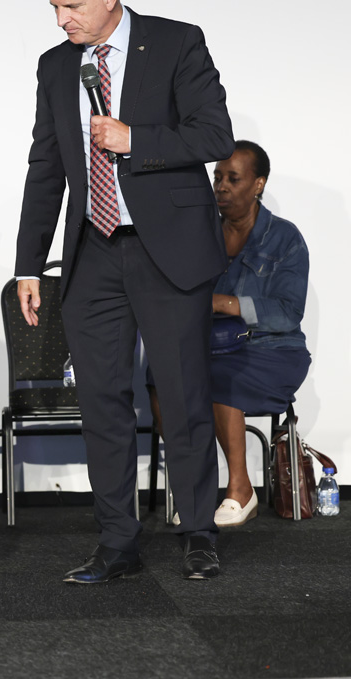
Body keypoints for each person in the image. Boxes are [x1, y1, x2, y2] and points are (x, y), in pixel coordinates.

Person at [15, 1, 234, 582]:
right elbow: (46, 164)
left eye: (72, 5)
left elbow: (215, 134)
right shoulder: (56, 65)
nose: (61, 19)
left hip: (169, 250)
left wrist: (135, 138)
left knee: (183, 396)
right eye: (53, 6)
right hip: (93, 252)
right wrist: (29, 264)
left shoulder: (176, 41)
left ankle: (198, 531)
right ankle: (117, 541)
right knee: (101, 402)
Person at [150, 141, 310, 527]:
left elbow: (288, 312)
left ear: (258, 184)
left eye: (233, 179)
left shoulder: (284, 238)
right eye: (217, 177)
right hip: (213, 348)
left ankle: (241, 488)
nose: (221, 186)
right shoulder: (200, 234)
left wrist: (223, 303)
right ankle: (195, 489)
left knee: (219, 377)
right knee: (160, 376)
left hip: (274, 351)